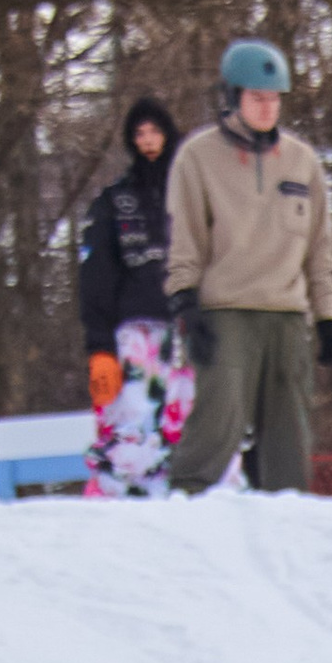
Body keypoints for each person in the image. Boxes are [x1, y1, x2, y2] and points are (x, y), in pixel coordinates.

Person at [165, 39, 332, 493]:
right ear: (232, 98)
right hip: (226, 310)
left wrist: (328, 316)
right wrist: (185, 304)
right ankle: (185, 500)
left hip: (286, 313)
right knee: (217, 419)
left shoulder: (302, 162)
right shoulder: (197, 157)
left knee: (289, 435)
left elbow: (320, 247)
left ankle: (287, 514)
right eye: (257, 98)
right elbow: (185, 238)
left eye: (275, 99)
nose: (268, 108)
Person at [77, 94, 190, 498]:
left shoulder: (193, 193)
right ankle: (121, 503)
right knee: (133, 427)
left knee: (190, 424)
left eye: (154, 131)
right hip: (137, 332)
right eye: (139, 133)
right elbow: (95, 276)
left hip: (192, 326)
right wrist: (99, 346)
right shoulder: (114, 201)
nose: (148, 141)